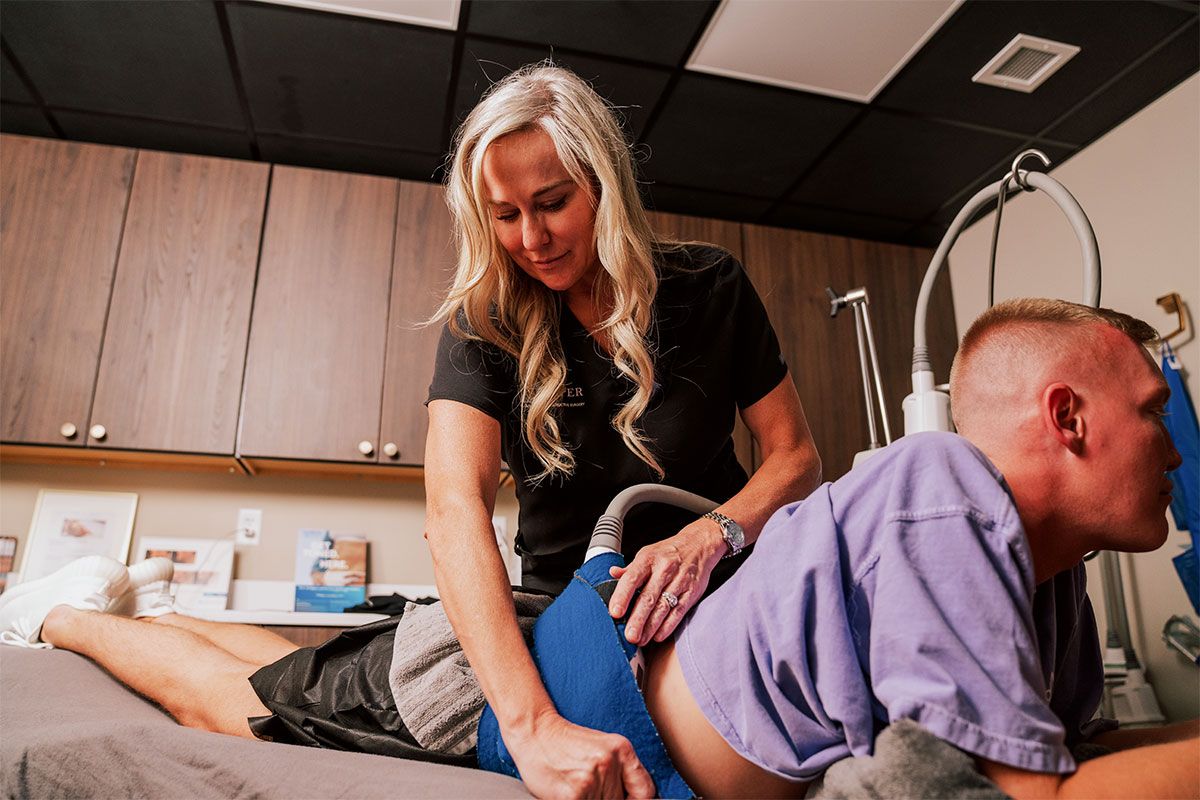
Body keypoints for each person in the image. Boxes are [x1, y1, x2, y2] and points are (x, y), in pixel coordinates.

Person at [4, 298, 1197, 800]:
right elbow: (1031, 795)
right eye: (1157, 408)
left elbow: (1067, 752)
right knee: (250, 707)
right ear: (1067, 415)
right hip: (551, 677)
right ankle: (60, 610)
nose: (1179, 446)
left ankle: (135, 605)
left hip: (583, 633)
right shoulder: (944, 487)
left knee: (305, 672)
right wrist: (528, 720)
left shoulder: (1047, 584)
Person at [422, 62, 821, 794]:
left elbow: (796, 458)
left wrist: (712, 536)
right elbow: (454, 506)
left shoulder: (709, 289)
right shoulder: (484, 326)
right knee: (307, 687)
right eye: (504, 215)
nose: (531, 237)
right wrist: (532, 726)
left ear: (601, 185)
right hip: (569, 611)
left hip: (717, 595)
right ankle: (137, 632)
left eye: (552, 203)